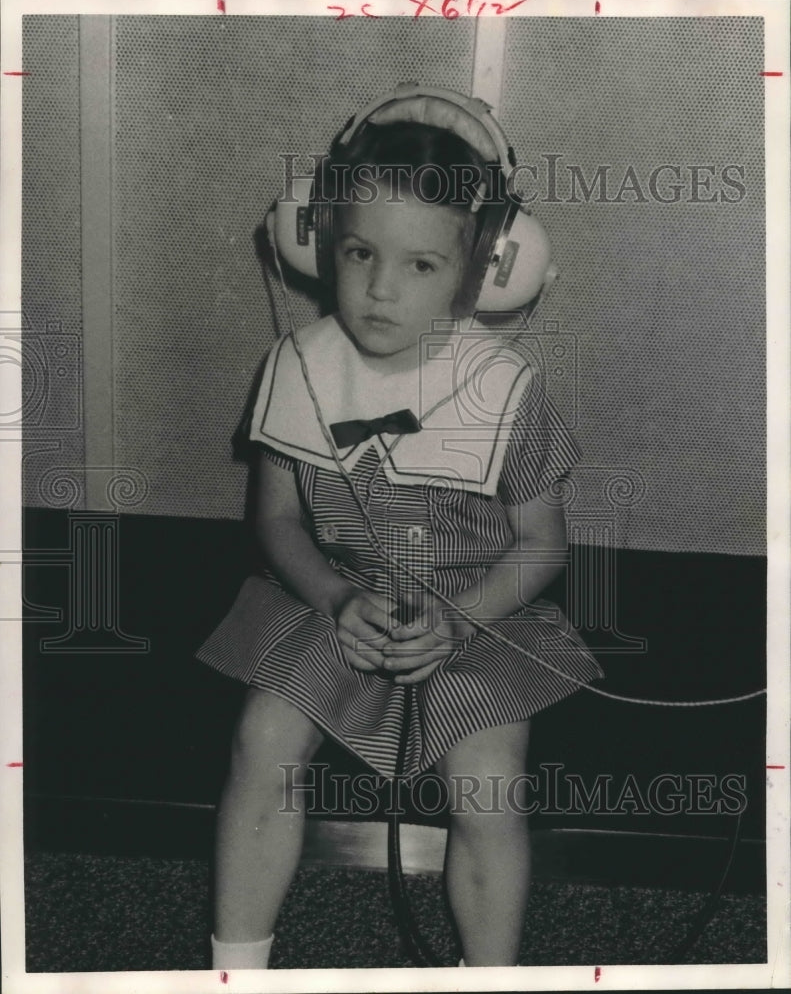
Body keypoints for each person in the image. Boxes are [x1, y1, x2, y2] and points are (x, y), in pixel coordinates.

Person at [197, 103, 604, 970]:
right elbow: (273, 518)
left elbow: (541, 545)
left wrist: (461, 618)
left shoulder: (504, 388)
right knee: (261, 743)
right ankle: (236, 965)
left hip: (478, 608)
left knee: (485, 782)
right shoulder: (298, 366)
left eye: (421, 263)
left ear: (484, 268)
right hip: (332, 594)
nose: (381, 289)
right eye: (358, 253)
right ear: (318, 242)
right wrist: (335, 596)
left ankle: (487, 973)